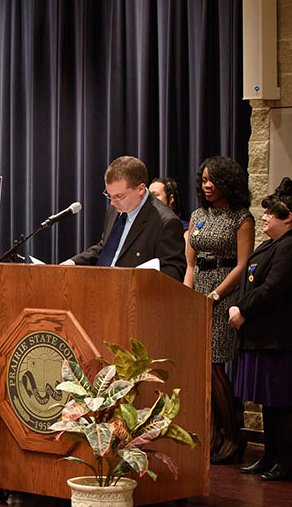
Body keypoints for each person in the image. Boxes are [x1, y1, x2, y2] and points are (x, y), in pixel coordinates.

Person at [185, 156, 254, 464]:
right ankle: (212, 437)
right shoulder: (198, 215)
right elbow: (190, 263)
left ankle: (233, 435)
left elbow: (243, 265)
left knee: (213, 365)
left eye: (213, 180)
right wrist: (186, 297)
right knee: (201, 366)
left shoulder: (242, 218)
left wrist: (214, 295)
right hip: (197, 293)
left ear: (228, 183)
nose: (207, 185)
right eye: (204, 180)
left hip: (224, 295)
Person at [228, 178, 292, 481]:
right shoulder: (272, 244)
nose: (263, 217)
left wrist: (243, 309)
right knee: (268, 403)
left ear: (287, 218)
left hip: (277, 339)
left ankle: (285, 460)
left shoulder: (289, 247)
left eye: (270, 213)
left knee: (282, 402)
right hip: (260, 336)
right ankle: (268, 456)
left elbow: (273, 288)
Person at [66, 155, 186, 281]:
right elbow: (105, 248)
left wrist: (136, 279)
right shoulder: (115, 209)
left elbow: (175, 271)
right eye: (109, 194)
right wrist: (73, 263)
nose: (112, 202)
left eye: (119, 196)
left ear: (140, 189)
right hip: (101, 288)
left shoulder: (165, 222)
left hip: (134, 294)